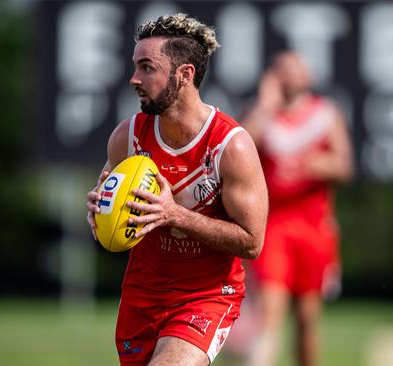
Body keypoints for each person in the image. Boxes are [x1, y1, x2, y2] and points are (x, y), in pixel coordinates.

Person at [85, 14, 268, 366]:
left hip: (206, 296)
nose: (134, 78)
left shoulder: (231, 146)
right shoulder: (129, 136)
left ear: (185, 75)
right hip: (142, 296)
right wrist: (98, 208)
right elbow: (104, 201)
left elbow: (252, 241)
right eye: (135, 67)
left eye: (147, 68)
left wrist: (174, 214)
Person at [240, 51, 353, 366]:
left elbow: (345, 165)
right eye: (282, 69)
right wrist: (265, 103)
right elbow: (238, 146)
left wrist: (319, 165)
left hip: (315, 227)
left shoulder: (325, 114)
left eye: (296, 68)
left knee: (307, 318)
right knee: (271, 312)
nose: (289, 74)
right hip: (274, 224)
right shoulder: (265, 114)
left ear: (309, 77)